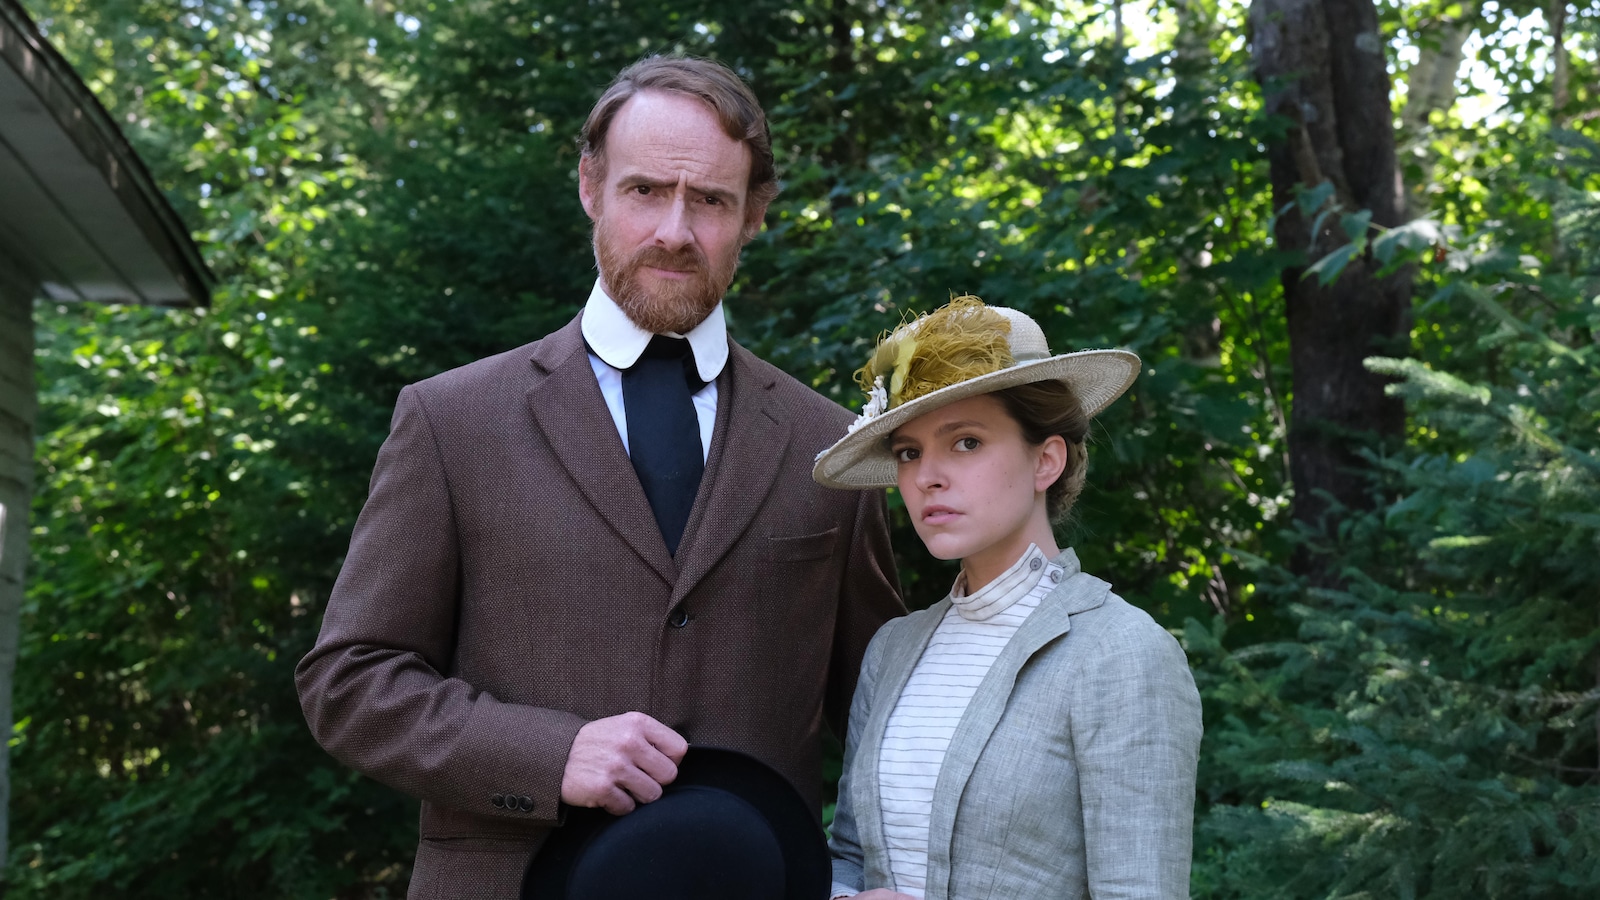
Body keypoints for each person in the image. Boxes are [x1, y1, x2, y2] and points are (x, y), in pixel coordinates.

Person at [295, 55, 904, 898]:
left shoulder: (830, 445)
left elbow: (889, 714)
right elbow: (349, 681)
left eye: (712, 201)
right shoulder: (453, 421)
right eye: (646, 191)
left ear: (755, 215)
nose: (674, 232)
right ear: (591, 187)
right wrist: (548, 755)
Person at [813, 297, 1203, 900]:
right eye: (909, 452)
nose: (927, 476)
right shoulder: (892, 649)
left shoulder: (1123, 655)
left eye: (965, 442)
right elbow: (850, 857)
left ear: (1047, 459)